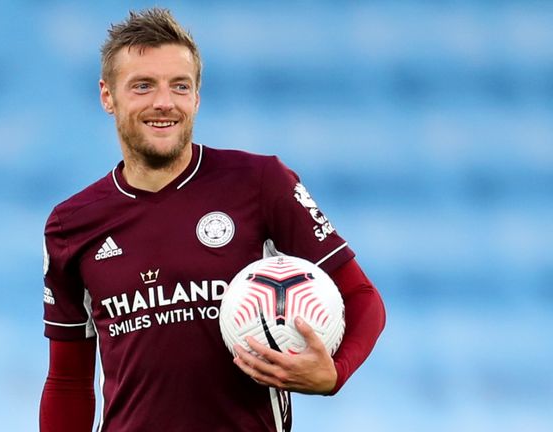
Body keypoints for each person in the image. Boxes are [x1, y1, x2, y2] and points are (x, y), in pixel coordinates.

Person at [40, 7, 385, 432]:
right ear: (107, 96)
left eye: (179, 86)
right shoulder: (71, 225)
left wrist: (335, 372)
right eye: (143, 86)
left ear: (197, 97)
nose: (163, 102)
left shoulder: (260, 183)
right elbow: (69, 381)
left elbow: (363, 296)